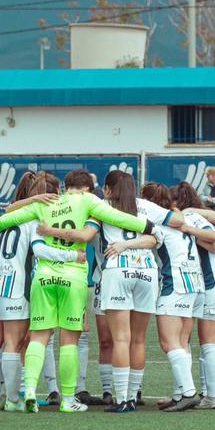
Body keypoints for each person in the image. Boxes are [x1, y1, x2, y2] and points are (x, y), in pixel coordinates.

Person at [0, 169, 153, 413]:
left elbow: (2, 221)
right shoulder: (87, 201)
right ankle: (67, 399)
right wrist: (147, 226)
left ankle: (30, 391)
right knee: (69, 342)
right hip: (73, 277)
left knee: (39, 337)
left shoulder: (45, 203)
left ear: (65, 187)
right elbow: (118, 217)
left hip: (43, 277)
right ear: (87, 187)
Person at [54, 171, 160, 413]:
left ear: (109, 189)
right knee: (138, 339)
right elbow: (159, 235)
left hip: (116, 271)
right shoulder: (143, 207)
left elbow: (85, 234)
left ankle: (122, 398)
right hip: (146, 271)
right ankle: (132, 396)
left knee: (120, 338)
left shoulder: (99, 207)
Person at [0, 171, 85, 412]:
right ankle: (13, 399)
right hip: (14, 285)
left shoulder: (7, 219)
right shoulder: (34, 221)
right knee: (14, 344)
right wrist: (73, 255)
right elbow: (40, 250)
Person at [143, 183, 215, 412]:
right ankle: (180, 393)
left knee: (169, 343)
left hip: (175, 284)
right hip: (195, 284)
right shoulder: (184, 217)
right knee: (182, 342)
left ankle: (188, 393)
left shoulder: (156, 222)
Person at [173, 181, 215, 410]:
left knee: (209, 343)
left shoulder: (188, 219)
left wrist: (194, 232)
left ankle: (212, 397)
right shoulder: (204, 217)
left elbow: (214, 239)